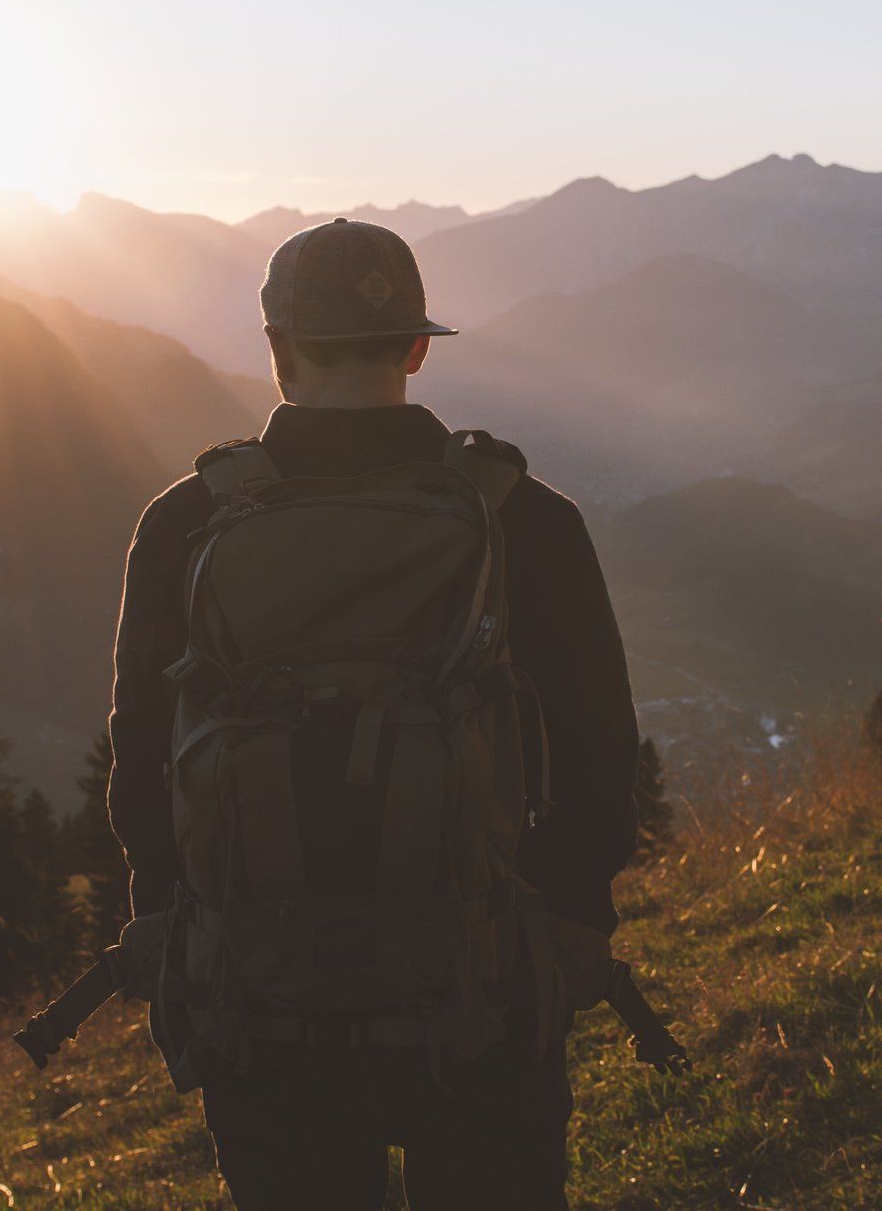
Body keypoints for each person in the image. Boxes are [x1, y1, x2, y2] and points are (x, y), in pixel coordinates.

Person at [106, 218, 639, 1209]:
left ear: (277, 349)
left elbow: (142, 763)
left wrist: (172, 925)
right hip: (480, 993)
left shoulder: (185, 522)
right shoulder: (522, 516)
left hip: (260, 999)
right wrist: (560, 924)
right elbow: (603, 753)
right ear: (417, 347)